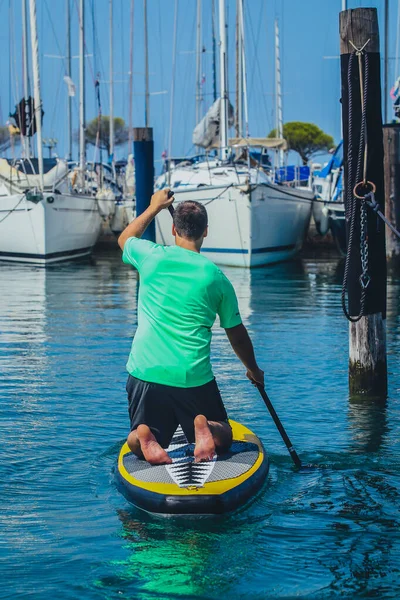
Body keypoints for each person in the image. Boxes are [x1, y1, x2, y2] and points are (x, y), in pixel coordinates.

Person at [118, 189, 264, 465]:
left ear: (173, 228)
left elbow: (126, 238)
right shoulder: (216, 278)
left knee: (140, 439)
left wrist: (154, 208)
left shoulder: (151, 257)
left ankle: (141, 437)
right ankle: (207, 428)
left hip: (145, 372)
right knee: (226, 436)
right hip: (191, 376)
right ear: (205, 232)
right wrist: (253, 370)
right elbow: (237, 335)